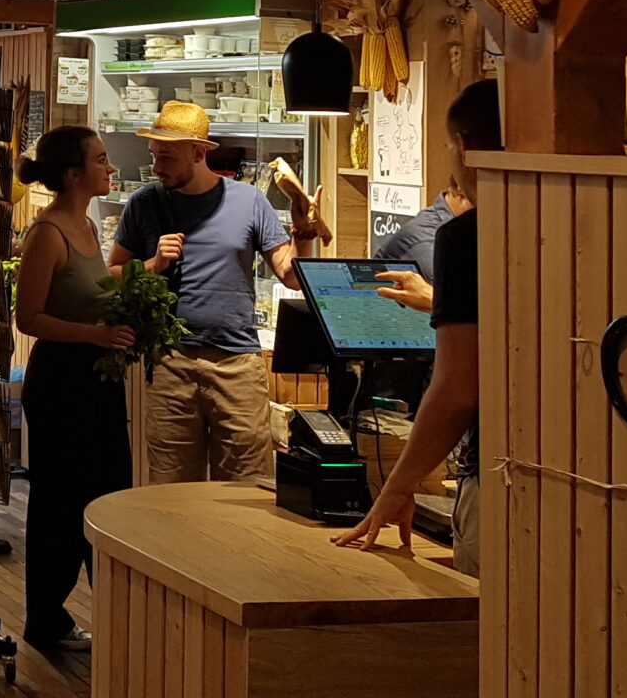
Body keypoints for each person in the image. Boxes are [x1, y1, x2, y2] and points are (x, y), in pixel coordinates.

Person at [336, 78, 501, 576]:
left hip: (503, 476)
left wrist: (397, 485)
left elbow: (457, 389)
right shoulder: (592, 215)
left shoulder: (465, 238)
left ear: (464, 147)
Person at [108, 100, 303, 485]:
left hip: (238, 365)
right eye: (154, 155)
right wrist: (153, 264)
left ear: (199, 153)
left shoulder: (249, 201)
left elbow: (292, 277)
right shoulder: (144, 203)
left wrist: (304, 229)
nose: (157, 167)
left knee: (246, 487)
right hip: (169, 364)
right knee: (171, 490)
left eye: (167, 157)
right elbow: (112, 274)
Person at [12, 126, 134, 652]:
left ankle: (110, 611)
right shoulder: (47, 233)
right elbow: (29, 317)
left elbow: (89, 292)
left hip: (96, 380)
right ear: (72, 173)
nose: (110, 168)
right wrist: (94, 334)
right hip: (61, 383)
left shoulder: (86, 224)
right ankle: (46, 618)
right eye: (101, 160)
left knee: (106, 493)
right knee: (60, 503)